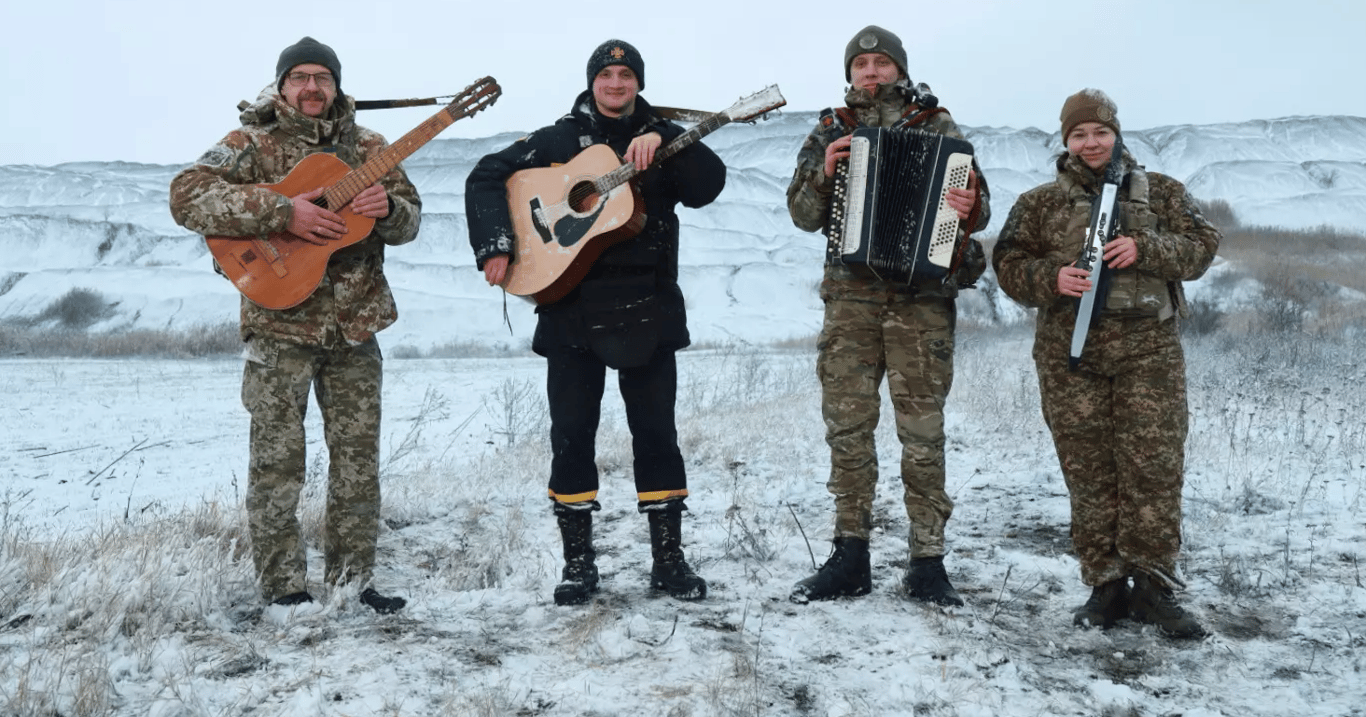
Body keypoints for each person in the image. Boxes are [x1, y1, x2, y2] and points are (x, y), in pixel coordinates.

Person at [465, 40, 726, 606]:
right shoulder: (557, 140)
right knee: (571, 437)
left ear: (638, 83)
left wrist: (664, 138)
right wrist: (496, 244)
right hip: (571, 306)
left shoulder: (662, 137)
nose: (615, 83)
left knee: (657, 435)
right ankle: (578, 565)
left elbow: (709, 187)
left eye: (625, 74)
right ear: (592, 82)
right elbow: (487, 176)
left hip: (649, 303)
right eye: (606, 74)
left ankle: (669, 562)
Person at [169, 36, 421, 614]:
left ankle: (352, 585)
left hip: (356, 328)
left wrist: (391, 212)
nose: (312, 87)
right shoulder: (249, 144)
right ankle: (283, 589)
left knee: (358, 464)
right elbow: (187, 195)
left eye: (323, 78)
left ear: (336, 86)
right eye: (300, 77)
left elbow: (409, 222)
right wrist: (284, 211)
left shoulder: (370, 145)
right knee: (277, 465)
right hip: (278, 326)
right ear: (282, 85)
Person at [991, 89, 1220, 638]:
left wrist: (1146, 248)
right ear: (1066, 140)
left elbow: (1203, 247)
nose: (1090, 143)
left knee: (1154, 468)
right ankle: (1106, 585)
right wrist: (1052, 277)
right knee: (1089, 472)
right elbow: (1007, 264)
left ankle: (1155, 588)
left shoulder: (1162, 193)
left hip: (1150, 354)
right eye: (1079, 134)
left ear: (1116, 134)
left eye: (1100, 132)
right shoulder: (1038, 204)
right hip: (1070, 358)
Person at [786, 25, 989, 606]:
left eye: (881, 63)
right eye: (861, 65)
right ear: (850, 73)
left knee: (922, 434)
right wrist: (822, 174)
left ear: (899, 69)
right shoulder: (830, 130)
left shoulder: (940, 127)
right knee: (848, 433)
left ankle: (927, 561)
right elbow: (802, 217)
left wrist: (970, 205)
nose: (871, 73)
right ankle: (850, 555)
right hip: (850, 303)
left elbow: (976, 206)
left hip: (920, 306)